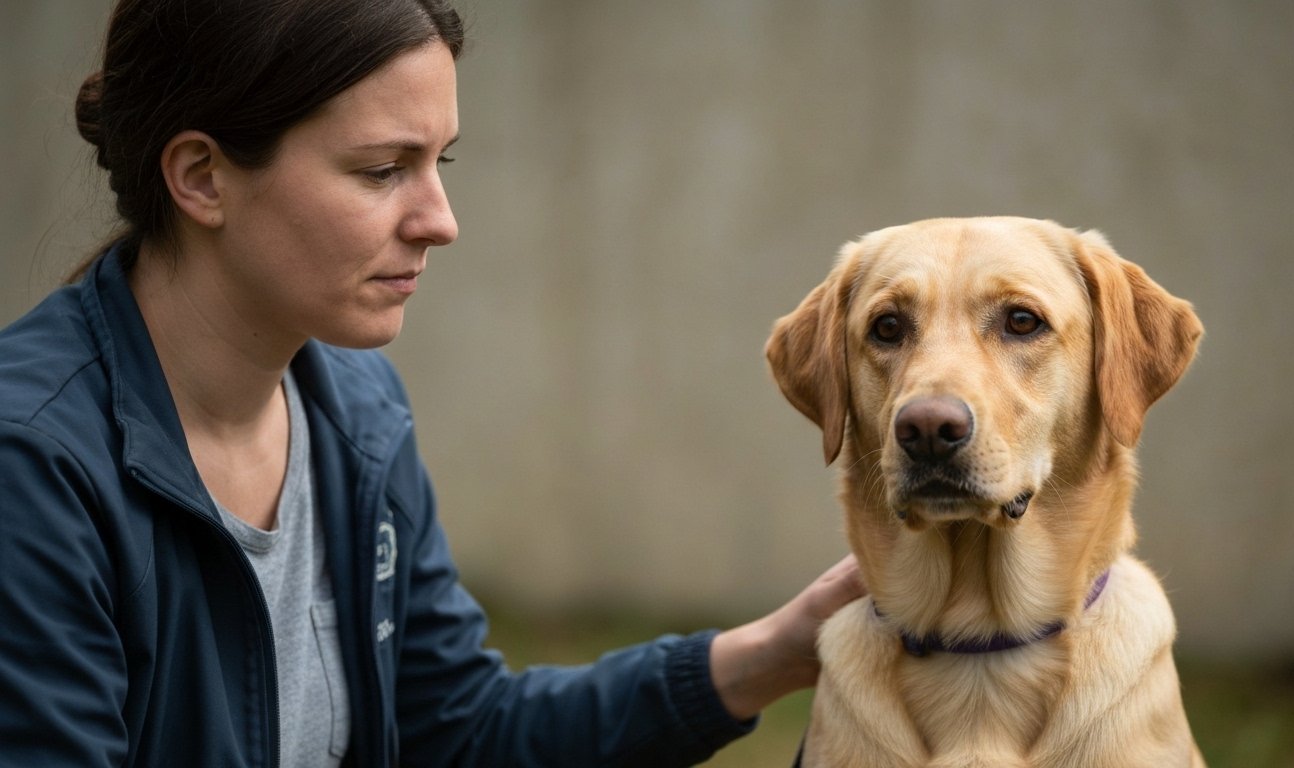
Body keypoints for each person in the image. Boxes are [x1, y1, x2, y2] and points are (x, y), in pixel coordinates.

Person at [0, 1, 865, 766]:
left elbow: (458, 732)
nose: (440, 222)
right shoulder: (33, 464)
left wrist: (778, 652)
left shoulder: (357, 414)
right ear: (201, 176)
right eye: (382, 170)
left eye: (440, 161)